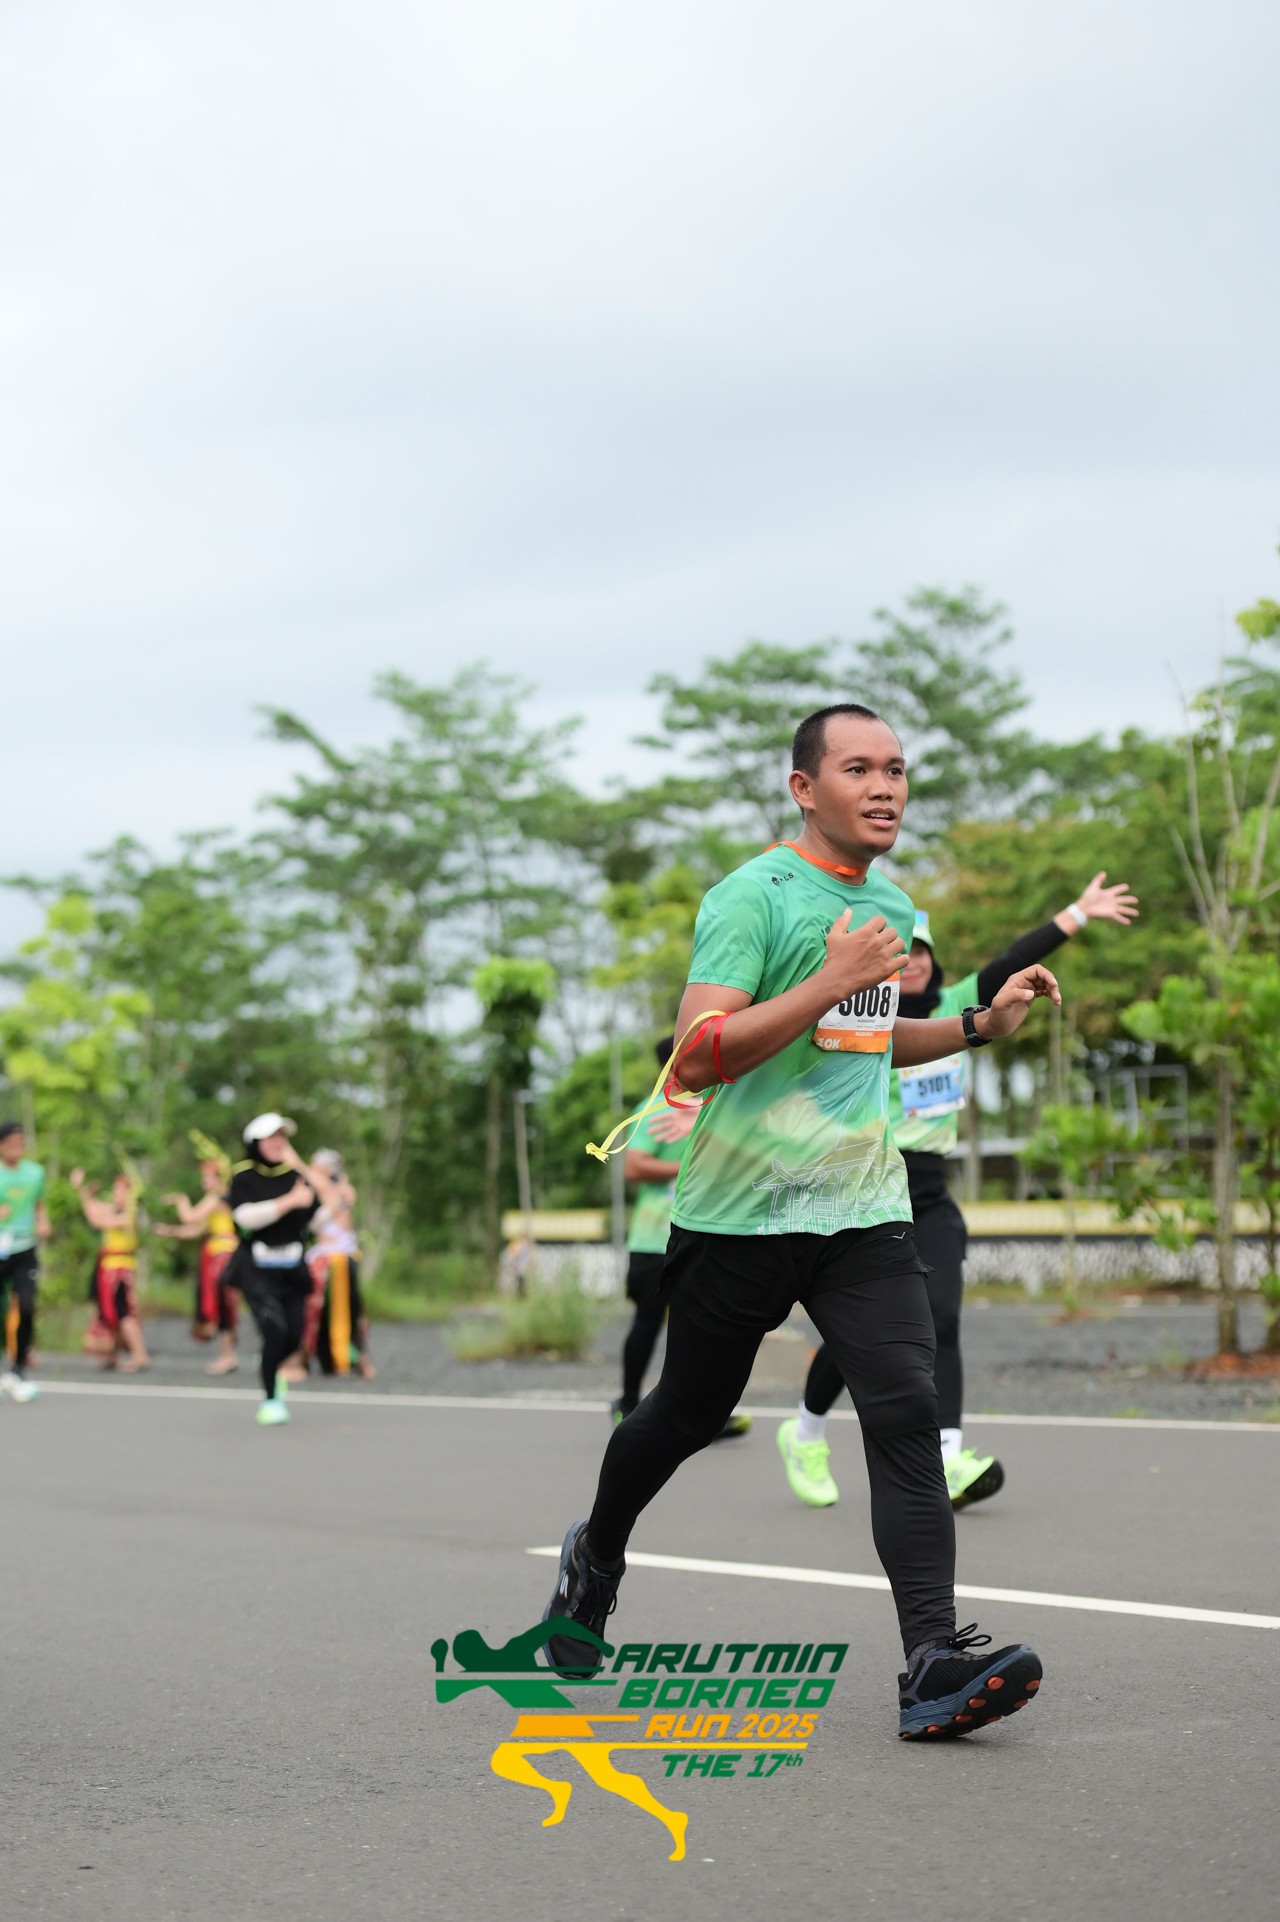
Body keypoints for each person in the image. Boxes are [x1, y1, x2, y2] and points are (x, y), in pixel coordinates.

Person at [541, 703, 1057, 1741]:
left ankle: (931, 1661)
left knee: (905, 1406)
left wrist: (973, 1024)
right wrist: (829, 976)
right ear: (802, 788)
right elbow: (696, 1054)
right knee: (685, 1412)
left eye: (896, 769)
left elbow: (867, 1035)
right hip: (739, 1215)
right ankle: (596, 1551)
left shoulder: (891, 904)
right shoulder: (753, 895)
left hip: (862, 1208)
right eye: (858, 768)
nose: (885, 787)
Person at [777, 871, 1139, 1513]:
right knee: (860, 1331)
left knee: (940, 1316)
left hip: (931, 1189)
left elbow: (1015, 958)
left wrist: (1079, 912)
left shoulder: (961, 1002)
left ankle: (946, 1457)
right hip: (867, 1183)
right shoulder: (858, 1015)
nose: (913, 961)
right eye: (902, 951)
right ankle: (804, 1433)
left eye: (922, 951)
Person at [615, 1040, 749, 1438]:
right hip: (654, 1239)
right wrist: (687, 1165)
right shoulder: (655, 1108)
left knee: (703, 1330)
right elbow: (634, 1166)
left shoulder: (716, 1106)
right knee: (647, 1323)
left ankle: (702, 1415)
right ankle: (627, 1405)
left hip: (704, 1236)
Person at [225, 1112, 345, 1425]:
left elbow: (315, 1221)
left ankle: (269, 1360)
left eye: (282, 1137)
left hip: (292, 1269)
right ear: (256, 1142)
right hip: (257, 1269)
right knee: (274, 1329)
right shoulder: (243, 1176)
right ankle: (270, 1400)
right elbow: (244, 1218)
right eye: (271, 1137)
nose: (278, 1142)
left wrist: (338, 1202)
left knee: (294, 1336)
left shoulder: (295, 1175)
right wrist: (288, 1202)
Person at [154, 1145, 241, 1376]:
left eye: (207, 1178)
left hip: (223, 1254)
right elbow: (196, 1230)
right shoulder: (219, 1201)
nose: (204, 1182)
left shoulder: (217, 1198)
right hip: (219, 1253)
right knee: (224, 1305)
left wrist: (181, 1199)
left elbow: (190, 1217)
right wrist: (168, 1231)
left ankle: (228, 1356)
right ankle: (227, 1354)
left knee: (223, 1305)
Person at [289, 1148, 374, 1380]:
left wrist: (282, 1148)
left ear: (325, 1169)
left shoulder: (330, 1187)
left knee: (330, 1310)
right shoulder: (338, 1189)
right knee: (330, 1310)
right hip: (332, 1257)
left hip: (335, 1261)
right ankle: (337, 1360)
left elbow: (299, 1167)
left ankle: (347, 1359)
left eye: (315, 1166)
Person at [72, 1166, 150, 1372]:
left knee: (124, 1313)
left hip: (119, 1271)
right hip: (106, 1268)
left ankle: (140, 1355)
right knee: (109, 1311)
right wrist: (81, 1190)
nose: (116, 1194)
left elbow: (96, 1219)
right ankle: (112, 1354)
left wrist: (84, 1195)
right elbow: (93, 1209)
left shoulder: (129, 1216)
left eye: (120, 1191)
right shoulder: (114, 1210)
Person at [0, 1120, 50, 1402]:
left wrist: (43, 1221)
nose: (16, 1147)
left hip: (24, 1248)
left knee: (27, 1305)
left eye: (20, 1142)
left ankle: (18, 1369)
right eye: (11, 1143)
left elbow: (39, 1206)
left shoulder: (35, 1173)